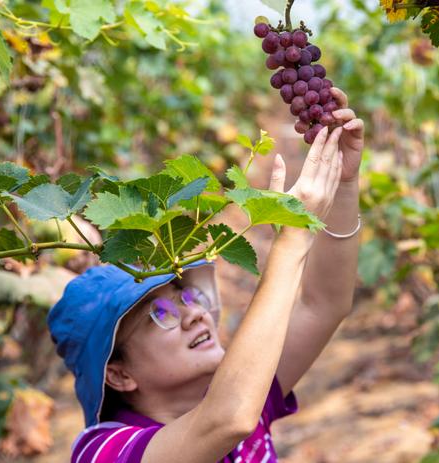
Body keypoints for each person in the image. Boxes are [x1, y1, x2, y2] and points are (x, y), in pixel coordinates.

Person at [47, 88, 364, 463]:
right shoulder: (103, 452)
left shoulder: (238, 389)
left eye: (187, 297)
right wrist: (291, 240)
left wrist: (343, 183)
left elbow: (324, 304)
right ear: (118, 376)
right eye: (160, 314)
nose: (195, 314)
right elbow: (227, 420)